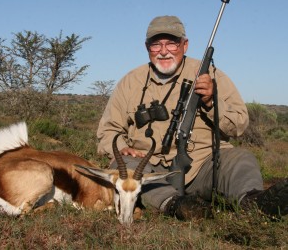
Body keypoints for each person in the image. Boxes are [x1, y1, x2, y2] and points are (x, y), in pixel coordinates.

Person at [97, 15, 288, 220]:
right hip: (149, 169)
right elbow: (108, 131)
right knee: (124, 166)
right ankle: (176, 205)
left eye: (171, 43)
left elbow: (239, 124)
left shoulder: (211, 75)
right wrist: (122, 147)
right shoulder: (129, 82)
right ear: (147, 47)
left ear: (184, 45)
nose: (163, 51)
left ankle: (254, 203)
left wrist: (211, 102)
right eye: (156, 45)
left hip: (202, 167)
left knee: (241, 158)